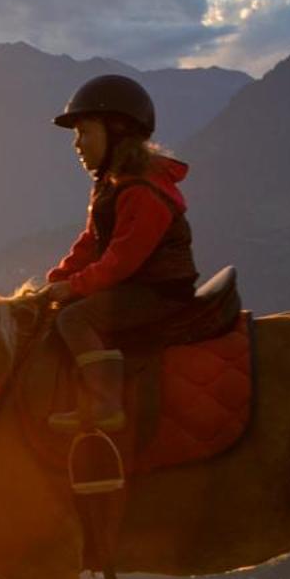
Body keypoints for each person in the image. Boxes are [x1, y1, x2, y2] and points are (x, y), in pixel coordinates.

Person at [34, 74, 202, 432]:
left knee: (75, 319)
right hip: (138, 286)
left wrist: (74, 288)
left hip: (159, 292)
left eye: (85, 132)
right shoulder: (114, 186)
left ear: (118, 132)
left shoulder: (142, 191)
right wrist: (57, 280)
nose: (77, 144)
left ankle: (104, 404)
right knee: (60, 311)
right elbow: (91, 242)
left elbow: (121, 260)